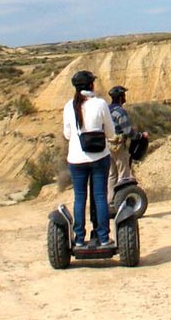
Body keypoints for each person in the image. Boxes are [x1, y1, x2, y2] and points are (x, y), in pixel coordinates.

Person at [63, 70, 117, 249]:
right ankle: (103, 237)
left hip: (76, 159)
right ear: (91, 85)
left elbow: (67, 134)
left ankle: (79, 238)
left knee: (80, 198)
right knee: (100, 197)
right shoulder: (100, 104)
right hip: (99, 157)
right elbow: (110, 133)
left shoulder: (69, 106)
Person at [107, 85, 149, 202]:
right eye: (123, 95)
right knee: (123, 173)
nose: (125, 97)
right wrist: (141, 135)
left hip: (107, 145)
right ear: (120, 98)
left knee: (112, 174)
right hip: (118, 145)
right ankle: (123, 200)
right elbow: (128, 131)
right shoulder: (120, 112)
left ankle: (110, 200)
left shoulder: (107, 109)